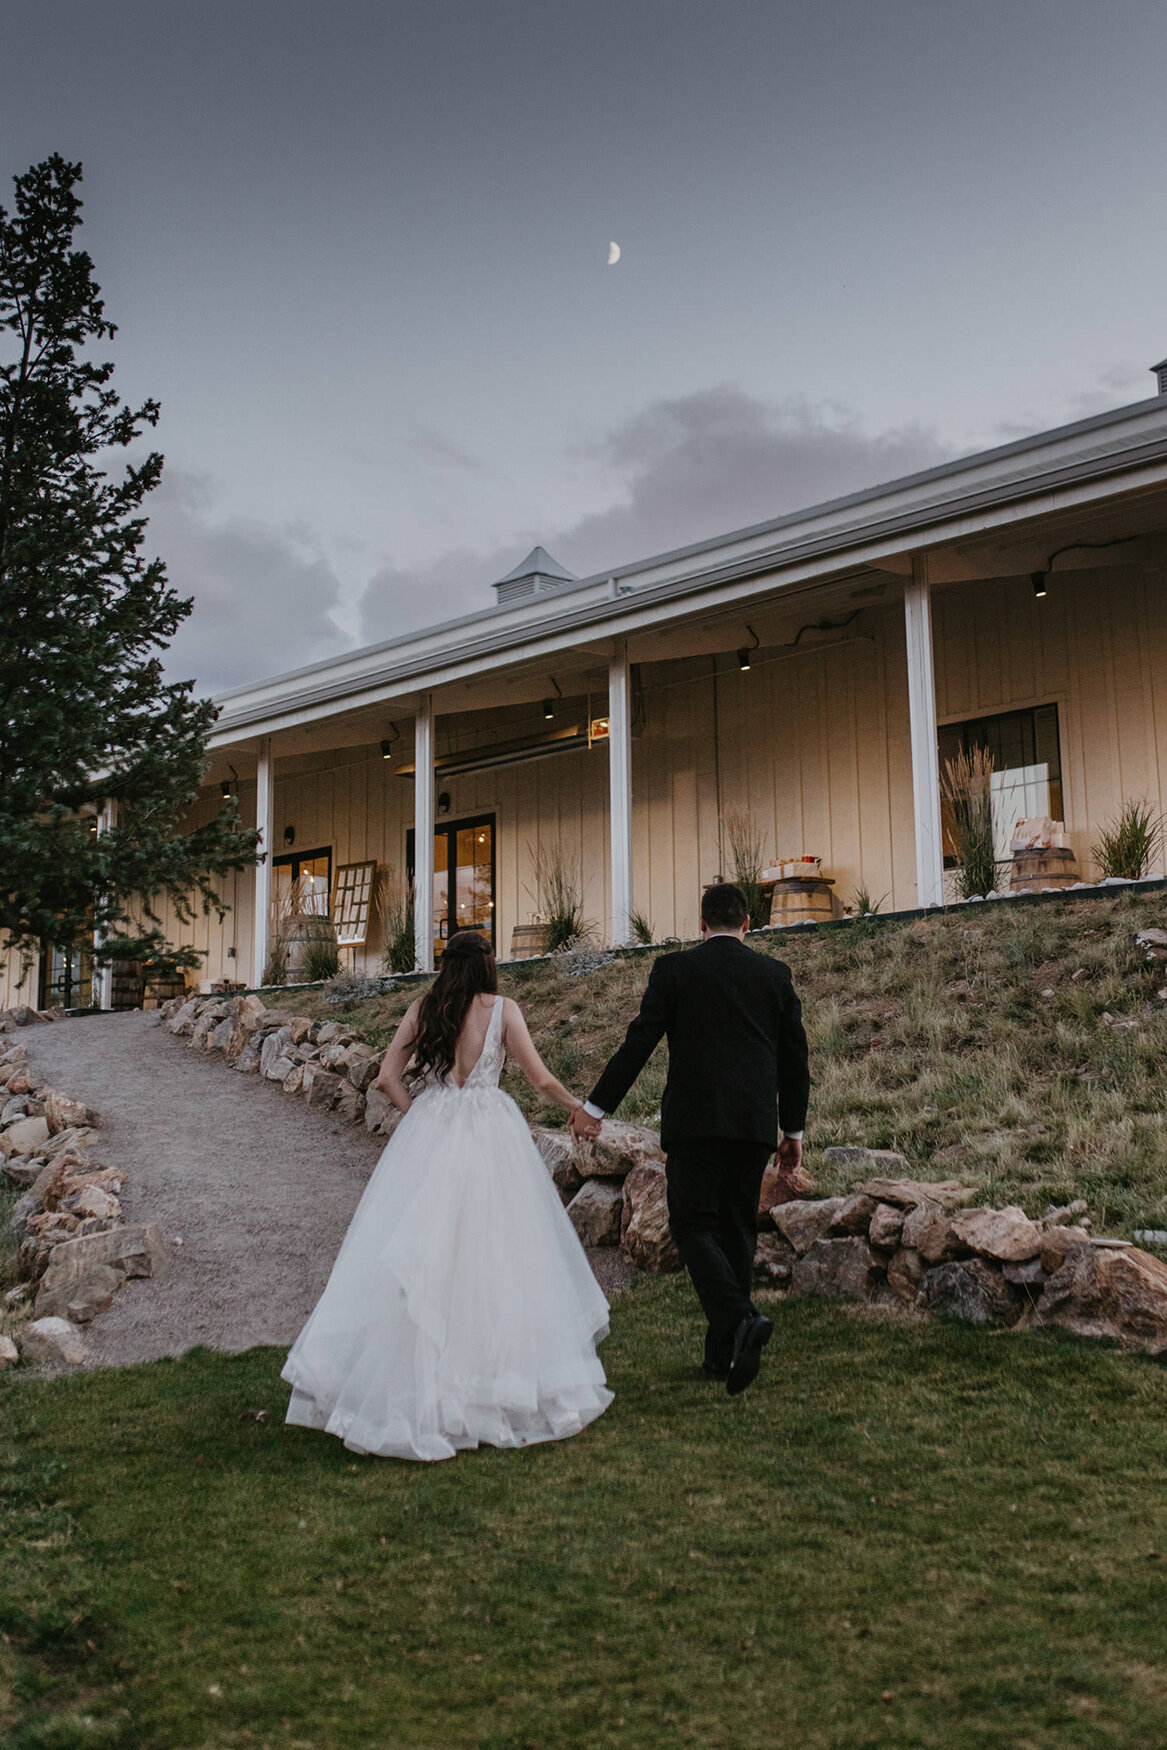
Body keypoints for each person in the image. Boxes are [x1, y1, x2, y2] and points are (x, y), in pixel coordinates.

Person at [282, 930, 612, 1460]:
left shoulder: (424, 1008)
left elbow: (389, 1078)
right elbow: (540, 1078)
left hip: (434, 1126)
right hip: (489, 1128)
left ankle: (416, 1390)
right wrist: (580, 1107)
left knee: (424, 1251)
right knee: (497, 1252)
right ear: (488, 965)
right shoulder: (503, 1009)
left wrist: (423, 1117)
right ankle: (492, 1388)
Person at [573, 882, 809, 1396]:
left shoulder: (675, 971)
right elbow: (796, 1060)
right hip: (751, 1126)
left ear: (701, 925)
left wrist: (595, 1107)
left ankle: (741, 1318)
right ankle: (723, 1355)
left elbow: (639, 1042)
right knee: (736, 1232)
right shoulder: (774, 975)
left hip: (695, 1123)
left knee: (691, 1226)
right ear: (748, 923)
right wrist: (792, 1130)